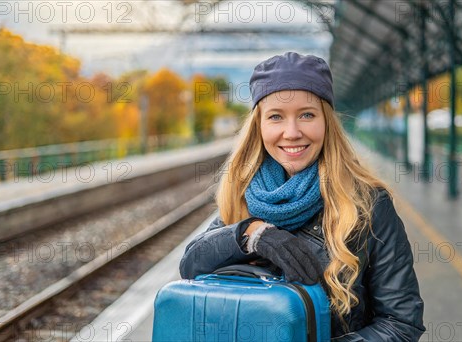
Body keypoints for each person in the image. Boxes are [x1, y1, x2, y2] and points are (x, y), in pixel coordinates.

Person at [179, 51, 425, 341]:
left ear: (327, 122)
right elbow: (190, 264)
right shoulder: (243, 194)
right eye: (276, 117)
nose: (292, 132)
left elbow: (401, 321)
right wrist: (250, 234)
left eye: (307, 115)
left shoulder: (369, 204)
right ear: (259, 126)